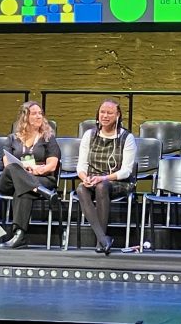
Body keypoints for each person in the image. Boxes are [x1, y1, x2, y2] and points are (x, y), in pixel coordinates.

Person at [0, 101, 60, 249]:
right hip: (10, 181)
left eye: (40, 113)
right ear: (25, 117)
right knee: (13, 168)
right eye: (34, 113)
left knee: (24, 191)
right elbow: (7, 164)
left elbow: (52, 165)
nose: (39, 116)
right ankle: (40, 190)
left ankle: (19, 236)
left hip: (41, 178)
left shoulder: (48, 138)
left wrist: (37, 169)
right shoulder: (12, 138)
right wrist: (24, 167)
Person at [76, 98, 137, 255]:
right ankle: (103, 239)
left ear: (118, 116)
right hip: (93, 179)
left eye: (110, 113)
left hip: (118, 182)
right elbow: (81, 166)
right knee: (81, 189)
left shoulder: (126, 138)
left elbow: (126, 171)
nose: (105, 115)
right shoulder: (90, 135)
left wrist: (103, 178)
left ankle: (100, 241)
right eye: (102, 112)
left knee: (102, 187)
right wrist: (85, 178)